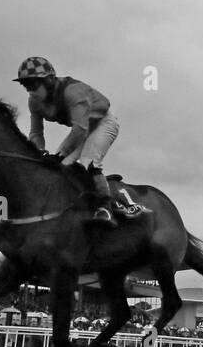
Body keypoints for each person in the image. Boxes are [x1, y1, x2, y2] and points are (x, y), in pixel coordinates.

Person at [13, 56, 122, 227]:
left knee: (87, 162)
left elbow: (80, 129)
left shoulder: (72, 92)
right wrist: (40, 152)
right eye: (26, 86)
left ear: (49, 80)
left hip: (103, 122)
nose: (30, 91)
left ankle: (105, 207)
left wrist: (59, 154)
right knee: (61, 167)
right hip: (83, 127)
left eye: (33, 84)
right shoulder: (34, 102)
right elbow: (35, 132)